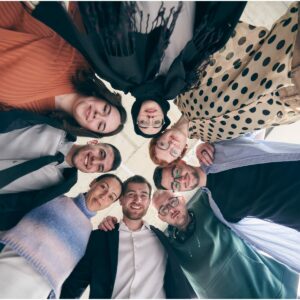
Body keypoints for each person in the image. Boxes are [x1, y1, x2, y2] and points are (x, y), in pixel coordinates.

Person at [30, 1, 246, 138]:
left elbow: (90, 44)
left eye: (144, 122)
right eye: (156, 122)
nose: (150, 118)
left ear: (136, 114)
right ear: (164, 115)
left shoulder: (120, 79)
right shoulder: (181, 81)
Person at [152, 1, 300, 152]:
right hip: (288, 101)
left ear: (162, 133)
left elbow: (215, 56)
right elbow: (255, 136)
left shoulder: (181, 95)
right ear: (184, 149)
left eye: (162, 144)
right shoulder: (214, 141)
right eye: (173, 152)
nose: (171, 145)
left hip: (279, 58)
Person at [0, 2, 127, 138]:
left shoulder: (36, 117)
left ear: (88, 130)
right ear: (103, 97)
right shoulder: (79, 62)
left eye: (100, 125)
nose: (97, 115)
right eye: (105, 109)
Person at [60, 175, 196, 299]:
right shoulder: (99, 238)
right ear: (121, 200)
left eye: (143, 195)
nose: (138, 200)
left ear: (148, 202)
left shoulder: (164, 240)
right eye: (131, 194)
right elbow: (73, 286)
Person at [152, 189, 299, 299]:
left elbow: (216, 178)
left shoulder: (204, 204)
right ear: (161, 217)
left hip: (254, 278)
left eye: (173, 201)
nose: (171, 209)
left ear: (182, 199)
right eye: (164, 209)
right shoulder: (169, 248)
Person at [0, 174, 123, 298]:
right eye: (103, 187)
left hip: (38, 293)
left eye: (111, 197)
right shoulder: (54, 198)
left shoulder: (91, 236)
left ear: (111, 204)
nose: (104, 196)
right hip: (9, 269)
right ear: (93, 182)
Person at [0, 109, 122, 230]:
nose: (94, 161)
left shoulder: (58, 184)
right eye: (101, 153)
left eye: (99, 167)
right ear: (93, 141)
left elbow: (16, 205)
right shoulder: (55, 126)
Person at [153, 135, 300, 231]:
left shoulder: (218, 149)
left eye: (176, 173)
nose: (181, 180)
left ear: (181, 162)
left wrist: (206, 140)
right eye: (175, 185)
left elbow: (251, 129)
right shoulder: (221, 209)